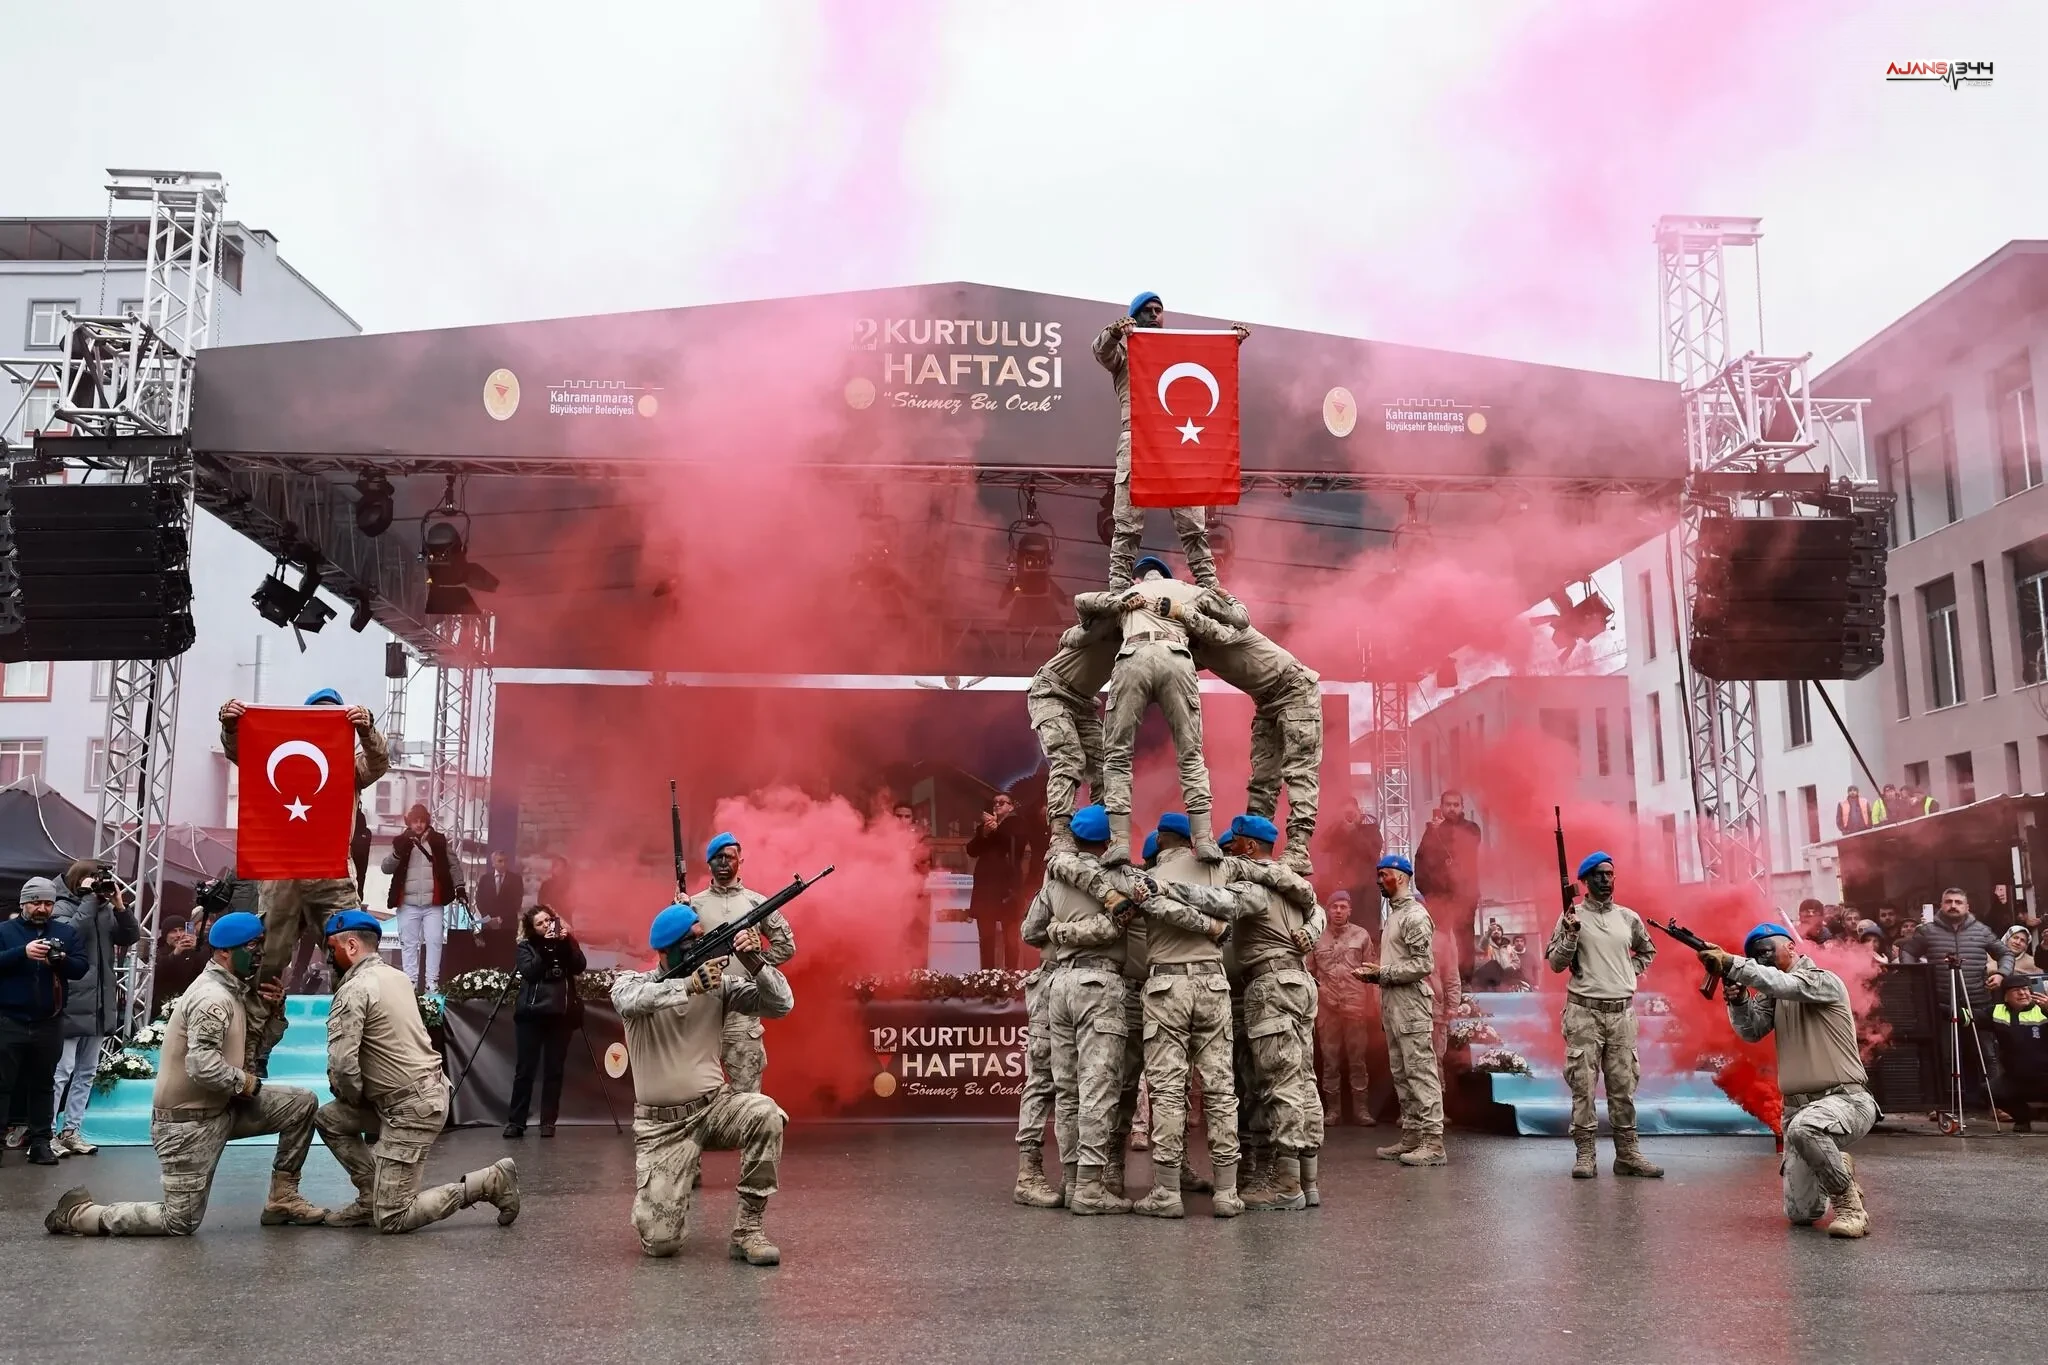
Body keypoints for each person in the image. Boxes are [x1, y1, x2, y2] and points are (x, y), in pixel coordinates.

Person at [42, 912, 332, 1235]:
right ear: (224, 952)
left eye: (260, 945)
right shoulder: (212, 998)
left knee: (302, 1103)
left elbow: (254, 1047)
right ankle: (82, 1214)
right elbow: (203, 1065)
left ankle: (283, 1199)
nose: (260, 954)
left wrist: (276, 1011)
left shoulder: (234, 990)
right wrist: (247, 1083)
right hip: (187, 1124)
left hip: (223, 1107)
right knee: (179, 1221)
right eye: (251, 946)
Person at [312, 910, 520, 1232]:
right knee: (329, 1119)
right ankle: (372, 1196)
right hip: (420, 1096)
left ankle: (489, 1183)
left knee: (393, 1218)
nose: (329, 958)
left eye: (332, 948)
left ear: (351, 946)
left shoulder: (355, 989)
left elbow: (343, 1068)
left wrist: (351, 1095)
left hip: (409, 1109)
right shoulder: (396, 977)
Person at [219, 691, 391, 1075]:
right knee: (267, 962)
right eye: (318, 716)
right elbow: (243, 755)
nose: (328, 722)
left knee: (354, 958)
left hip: (331, 871)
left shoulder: (347, 765)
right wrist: (231, 726)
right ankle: (254, 1055)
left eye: (335, 718)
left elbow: (379, 763)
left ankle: (358, 1057)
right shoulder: (278, 751)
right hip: (281, 873)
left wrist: (367, 731)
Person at [611, 902, 792, 1264]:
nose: (701, 944)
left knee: (766, 1113)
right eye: (691, 941)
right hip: (660, 1128)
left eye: (701, 937)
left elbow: (781, 1004)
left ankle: (748, 1231)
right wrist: (689, 985)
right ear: (666, 949)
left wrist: (756, 961)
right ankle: (670, 1195)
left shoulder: (719, 985)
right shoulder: (634, 984)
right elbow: (631, 1001)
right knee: (661, 1244)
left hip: (714, 1108)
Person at [1700, 923, 1875, 1238]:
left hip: (1845, 1100)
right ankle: (1837, 1165)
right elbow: (1751, 1032)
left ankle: (1851, 1209)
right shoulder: (1775, 994)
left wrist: (1732, 963)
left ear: (1792, 947)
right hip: (1796, 1109)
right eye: (1755, 955)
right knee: (1802, 1214)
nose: (1762, 959)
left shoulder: (1821, 981)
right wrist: (1739, 1001)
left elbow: (1783, 984)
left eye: (1767, 951)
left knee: (1805, 1128)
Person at [1075, 556, 1248, 863]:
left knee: (1117, 756)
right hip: (1176, 657)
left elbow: (1081, 602)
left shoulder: (1128, 593)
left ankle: (1118, 843)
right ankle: (1205, 840)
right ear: (1165, 576)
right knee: (1190, 753)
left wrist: (1118, 604)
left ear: (1139, 579)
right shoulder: (1184, 588)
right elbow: (1240, 619)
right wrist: (1226, 596)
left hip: (1133, 657)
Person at [1092, 292, 1248, 590]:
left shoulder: (1178, 354)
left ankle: (1210, 586)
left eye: (1158, 310)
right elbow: (1101, 352)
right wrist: (1114, 331)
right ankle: (1118, 589)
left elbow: (1209, 364)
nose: (1153, 315)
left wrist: (1231, 343)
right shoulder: (1125, 355)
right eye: (1146, 310)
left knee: (1193, 526)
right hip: (1139, 442)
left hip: (1178, 442)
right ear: (1133, 317)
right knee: (1127, 525)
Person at [1210, 814, 1324, 1212]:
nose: (1232, 849)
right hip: (1297, 982)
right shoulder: (1294, 889)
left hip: (1270, 986)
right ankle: (1307, 1182)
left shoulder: (1255, 889)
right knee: (1301, 1079)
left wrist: (1163, 885)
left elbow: (1215, 897)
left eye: (1236, 843)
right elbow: (1317, 911)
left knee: (1279, 1082)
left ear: (1249, 847)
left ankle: (1286, 1183)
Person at [1178, 607, 1325, 874]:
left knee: (1299, 772)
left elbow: (1216, 633)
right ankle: (1254, 847)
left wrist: (1179, 611)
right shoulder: (1195, 648)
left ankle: (1298, 848)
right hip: (1267, 701)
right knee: (1263, 781)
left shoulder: (1226, 627)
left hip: (1295, 690)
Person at [1544, 851, 1662, 1180]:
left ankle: (1628, 1154)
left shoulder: (1628, 918)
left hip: (1622, 1014)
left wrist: (1629, 970)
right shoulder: (1571, 916)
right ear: (1584, 882)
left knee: (1623, 1087)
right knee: (1583, 1087)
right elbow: (1555, 963)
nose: (1605, 880)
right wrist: (1570, 935)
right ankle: (1585, 1154)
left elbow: (1647, 950)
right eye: (1598, 875)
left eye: (1610, 874)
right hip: (1584, 1012)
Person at [1355, 855, 1446, 1166]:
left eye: (1385, 875)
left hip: (1411, 1004)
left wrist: (1381, 974)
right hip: (1395, 1003)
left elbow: (1423, 965)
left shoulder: (1414, 916)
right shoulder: (1395, 915)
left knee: (1420, 1072)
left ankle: (1433, 1143)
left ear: (1403, 878)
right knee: (1402, 1072)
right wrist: (1381, 972)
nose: (1379, 881)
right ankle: (1412, 1136)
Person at [689, 833, 797, 1094]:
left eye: (730, 857)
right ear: (709, 863)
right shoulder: (692, 905)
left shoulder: (757, 904)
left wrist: (756, 963)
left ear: (741, 860)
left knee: (747, 1096)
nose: (724, 862)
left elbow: (786, 946)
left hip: (743, 1012)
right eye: (717, 857)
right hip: (702, 1011)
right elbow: (673, 954)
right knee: (697, 1093)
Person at [50, 860, 139, 1156]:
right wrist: (88, 900)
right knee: (62, 1070)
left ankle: (72, 1131)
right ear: (79, 879)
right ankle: (46, 1132)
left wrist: (119, 906)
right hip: (72, 999)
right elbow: (68, 935)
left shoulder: (102, 909)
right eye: (92, 878)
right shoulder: (60, 904)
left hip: (100, 1001)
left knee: (86, 1071)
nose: (97, 883)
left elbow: (130, 937)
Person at [0, 878, 89, 1166]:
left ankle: (41, 1143)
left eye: (48, 903)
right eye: (36, 902)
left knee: (43, 1084)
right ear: (24, 903)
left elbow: (80, 968)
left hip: (48, 1021)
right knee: (3, 1084)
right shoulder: (5, 931)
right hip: (9, 1019)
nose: (42, 908)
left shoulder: (65, 931)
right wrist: (21, 953)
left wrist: (60, 959)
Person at [1897, 888, 2012, 1110]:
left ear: (1967, 907)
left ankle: (1996, 1103)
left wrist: (2001, 974)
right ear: (1941, 905)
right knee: (1946, 1056)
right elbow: (1908, 952)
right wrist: (1915, 977)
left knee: (1987, 1055)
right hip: (1941, 1005)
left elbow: (2005, 953)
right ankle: (1949, 1105)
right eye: (1948, 901)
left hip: (1977, 1003)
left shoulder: (1982, 931)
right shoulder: (1927, 931)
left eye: (1958, 902)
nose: (1953, 905)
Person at [1028, 622, 1117, 855]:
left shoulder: (1142, 636)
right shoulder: (1103, 623)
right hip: (1051, 693)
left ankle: (1098, 832)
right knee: (1069, 759)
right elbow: (1073, 631)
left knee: (1107, 765)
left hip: (1084, 702)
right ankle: (1061, 833)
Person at [504, 904, 587, 1139]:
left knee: (554, 1071)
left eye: (548, 920)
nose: (546, 925)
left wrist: (567, 941)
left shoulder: (566, 941)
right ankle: (516, 1122)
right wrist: (547, 948)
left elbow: (580, 965)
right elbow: (530, 972)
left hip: (560, 1016)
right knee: (525, 1071)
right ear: (532, 929)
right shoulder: (526, 947)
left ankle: (548, 1122)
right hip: (531, 1016)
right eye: (540, 923)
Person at [1311, 889, 1375, 1127]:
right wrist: (1321, 993)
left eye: (1342, 907)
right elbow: (1309, 972)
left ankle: (1362, 1110)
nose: (1338, 911)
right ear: (1327, 909)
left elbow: (1372, 971)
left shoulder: (1362, 935)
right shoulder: (1316, 936)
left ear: (1349, 909)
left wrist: (1373, 1006)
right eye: (1334, 906)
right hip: (1327, 1008)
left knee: (1358, 1060)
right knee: (1330, 1061)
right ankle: (1333, 1111)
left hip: (1355, 1006)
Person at [381, 803, 461, 993]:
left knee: (434, 942)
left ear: (427, 822)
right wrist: (398, 852)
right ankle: (410, 983)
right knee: (409, 944)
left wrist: (460, 887)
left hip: (433, 903)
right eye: (415, 821)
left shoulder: (439, 841)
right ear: (409, 822)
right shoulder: (400, 841)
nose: (418, 825)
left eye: (422, 821)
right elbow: (386, 868)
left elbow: (454, 865)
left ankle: (432, 983)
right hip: (408, 903)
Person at [1413, 791, 1482, 979]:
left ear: (1462, 807)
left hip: (1464, 894)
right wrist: (1426, 891)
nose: (1452, 808)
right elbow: (1421, 860)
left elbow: (1468, 845)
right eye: (1448, 805)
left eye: (1456, 805)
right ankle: (1441, 977)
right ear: (1442, 807)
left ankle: (1466, 978)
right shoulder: (1433, 831)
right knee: (1440, 938)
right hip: (1439, 895)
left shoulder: (1471, 828)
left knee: (1464, 936)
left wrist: (1441, 831)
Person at [965, 792, 1030, 971]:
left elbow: (1014, 843)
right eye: (994, 802)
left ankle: (1011, 978)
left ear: (1011, 806)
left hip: (1008, 888)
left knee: (1010, 939)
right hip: (986, 889)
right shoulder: (985, 827)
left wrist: (995, 830)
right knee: (986, 938)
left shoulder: (1018, 824)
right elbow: (971, 850)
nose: (997, 805)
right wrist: (984, 833)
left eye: (1002, 802)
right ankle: (987, 978)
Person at [1989, 980, 2048, 1131]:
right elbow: (1966, 1015)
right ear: (2005, 996)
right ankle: (2023, 1118)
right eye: (2016, 990)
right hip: (2016, 1077)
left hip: (2045, 1074)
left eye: (2025, 989)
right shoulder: (1997, 1011)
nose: (2022, 993)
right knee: (1990, 1091)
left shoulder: (2043, 1009)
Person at [1327, 800, 1384, 911]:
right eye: (1346, 813)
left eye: (1352, 813)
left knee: (1366, 926)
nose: (1349, 817)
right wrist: (1337, 824)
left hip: (1366, 892)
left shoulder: (1371, 829)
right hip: (1342, 891)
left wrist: (1353, 830)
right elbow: (1322, 846)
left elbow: (1372, 852)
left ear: (1359, 812)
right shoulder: (1337, 832)